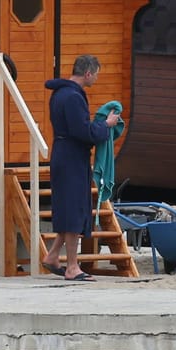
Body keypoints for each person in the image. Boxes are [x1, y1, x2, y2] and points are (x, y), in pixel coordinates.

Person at [42, 55, 119, 282]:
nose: (95, 78)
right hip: (71, 158)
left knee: (69, 208)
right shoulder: (73, 97)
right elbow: (82, 131)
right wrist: (105, 125)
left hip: (64, 154)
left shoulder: (60, 94)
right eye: (95, 74)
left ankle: (53, 256)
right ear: (87, 73)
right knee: (74, 210)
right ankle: (72, 267)